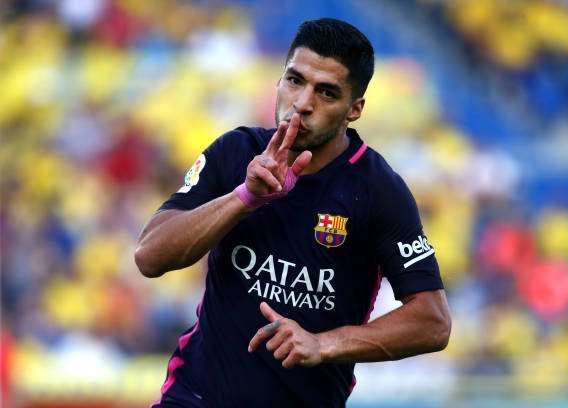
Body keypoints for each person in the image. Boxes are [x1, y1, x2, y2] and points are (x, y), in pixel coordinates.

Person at [135, 18, 451, 408]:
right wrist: (244, 197)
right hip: (195, 398)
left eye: (327, 92)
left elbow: (433, 321)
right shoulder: (236, 152)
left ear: (355, 109)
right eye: (295, 80)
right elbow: (149, 257)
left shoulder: (378, 190)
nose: (302, 103)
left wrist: (324, 344)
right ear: (279, 81)